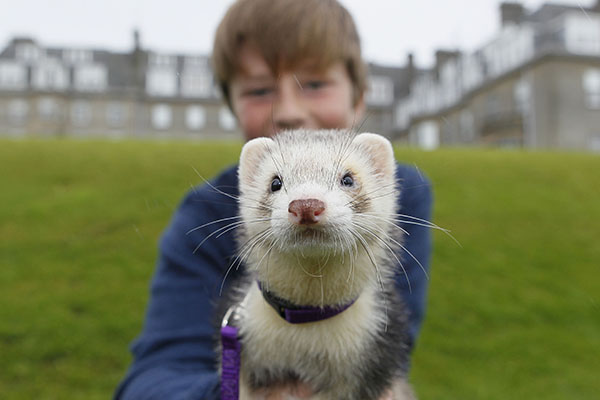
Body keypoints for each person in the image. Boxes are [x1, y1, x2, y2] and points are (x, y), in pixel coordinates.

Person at [114, 0, 432, 399]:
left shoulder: (410, 197)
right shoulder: (204, 216)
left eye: (315, 84)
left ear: (360, 96)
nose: (289, 110)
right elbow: (150, 381)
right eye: (260, 89)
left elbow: (394, 348)